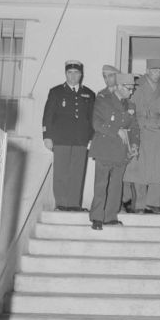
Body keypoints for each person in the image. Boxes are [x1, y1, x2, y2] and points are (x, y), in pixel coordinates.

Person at [88, 73, 139, 230]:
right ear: (118, 86)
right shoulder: (103, 100)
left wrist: (135, 144)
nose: (131, 92)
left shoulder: (130, 105)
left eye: (132, 89)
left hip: (121, 151)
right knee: (101, 184)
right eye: (128, 88)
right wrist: (117, 130)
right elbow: (97, 123)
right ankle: (97, 217)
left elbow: (134, 127)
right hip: (104, 148)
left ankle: (110, 216)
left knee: (116, 186)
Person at [42, 60, 95, 211]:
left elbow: (92, 118)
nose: (73, 76)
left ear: (81, 74)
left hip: (81, 139)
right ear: (65, 74)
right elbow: (48, 115)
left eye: (76, 72)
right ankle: (61, 203)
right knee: (61, 172)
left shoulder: (89, 94)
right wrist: (47, 136)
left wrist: (91, 138)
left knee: (77, 172)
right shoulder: (56, 91)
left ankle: (73, 204)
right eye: (70, 72)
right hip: (61, 138)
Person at [124, 59, 160, 214]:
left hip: (159, 134)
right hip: (141, 131)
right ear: (147, 70)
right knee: (139, 169)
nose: (156, 74)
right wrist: (143, 122)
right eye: (153, 70)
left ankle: (153, 203)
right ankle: (139, 204)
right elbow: (128, 109)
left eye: (159, 71)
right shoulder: (137, 86)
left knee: (158, 169)